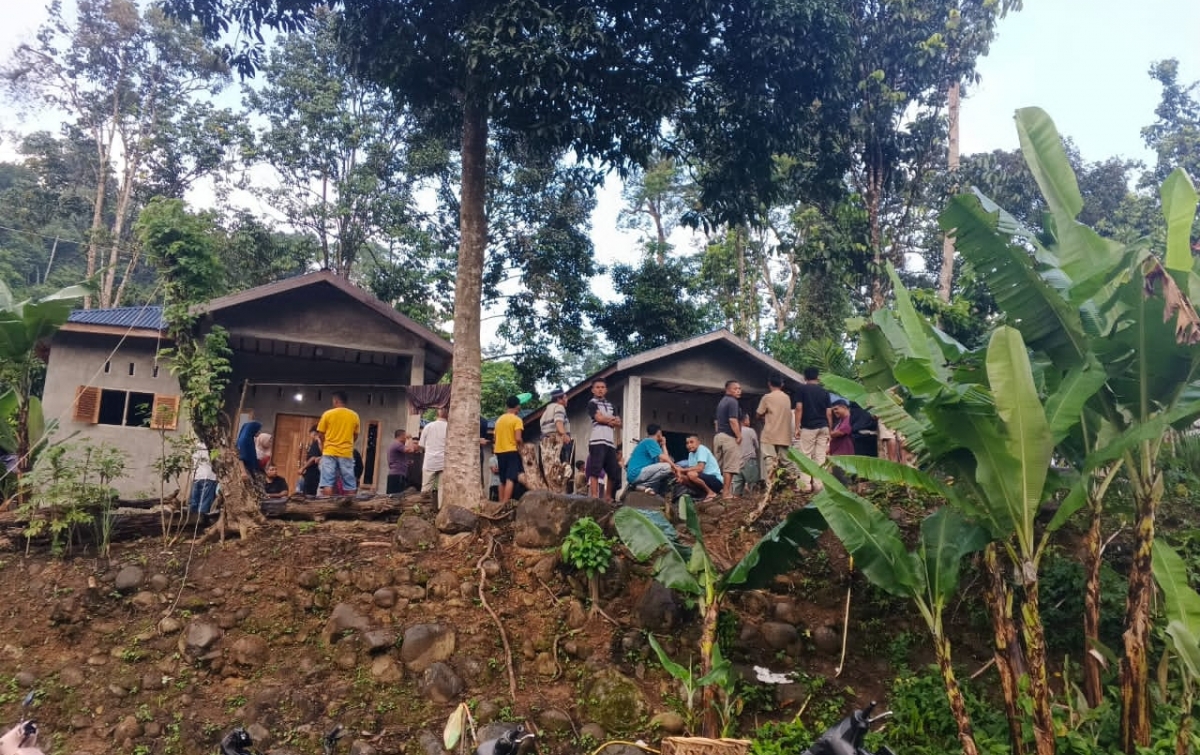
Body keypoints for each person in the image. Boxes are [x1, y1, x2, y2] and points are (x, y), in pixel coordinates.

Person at [793, 367, 833, 492]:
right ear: (818, 377)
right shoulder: (824, 392)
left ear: (805, 377)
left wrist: (797, 427)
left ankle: (805, 485)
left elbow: (799, 408)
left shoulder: (802, 389)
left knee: (805, 456)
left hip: (809, 427)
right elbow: (829, 412)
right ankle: (819, 485)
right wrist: (830, 429)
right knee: (820, 456)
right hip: (824, 426)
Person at [317, 391, 361, 497]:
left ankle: (327, 507)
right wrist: (347, 444)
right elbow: (355, 435)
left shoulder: (327, 414)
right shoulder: (354, 415)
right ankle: (349, 508)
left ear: (335, 401)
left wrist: (325, 445)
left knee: (327, 482)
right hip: (346, 452)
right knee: (349, 484)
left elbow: (320, 434)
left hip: (329, 452)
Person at [585, 379, 622, 501]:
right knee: (595, 469)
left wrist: (607, 419)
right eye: (597, 387)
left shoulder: (611, 405)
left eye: (602, 387)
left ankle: (607, 497)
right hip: (597, 441)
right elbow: (598, 418)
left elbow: (618, 422)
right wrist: (611, 420)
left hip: (610, 442)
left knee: (613, 471)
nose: (600, 389)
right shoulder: (592, 403)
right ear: (593, 390)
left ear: (606, 389)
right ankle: (595, 496)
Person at [756, 374, 793, 482]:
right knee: (786, 462)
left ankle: (771, 487)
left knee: (770, 462)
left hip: (769, 435)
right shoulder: (787, 398)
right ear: (782, 384)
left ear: (769, 384)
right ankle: (793, 484)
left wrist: (764, 416)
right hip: (784, 436)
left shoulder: (767, 397)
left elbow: (758, 414)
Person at [713, 380, 743, 499]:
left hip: (719, 435)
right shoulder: (733, 402)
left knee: (718, 466)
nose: (739, 391)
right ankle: (726, 493)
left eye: (739, 389)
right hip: (728, 437)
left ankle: (717, 491)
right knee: (729, 468)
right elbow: (733, 420)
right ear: (728, 389)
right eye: (736, 389)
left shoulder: (722, 402)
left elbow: (716, 422)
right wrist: (739, 435)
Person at [625, 424, 675, 496]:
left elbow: (664, 460)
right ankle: (638, 486)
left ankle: (638, 486)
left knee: (666, 469)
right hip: (636, 473)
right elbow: (666, 460)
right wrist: (675, 467)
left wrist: (663, 444)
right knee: (667, 467)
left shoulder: (650, 444)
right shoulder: (650, 441)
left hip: (635, 475)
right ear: (659, 433)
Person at [539, 388, 572, 494]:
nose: (567, 399)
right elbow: (558, 422)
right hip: (557, 442)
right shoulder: (559, 407)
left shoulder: (545, 412)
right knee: (562, 470)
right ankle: (561, 495)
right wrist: (564, 434)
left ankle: (552, 493)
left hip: (546, 443)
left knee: (550, 471)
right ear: (559, 399)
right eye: (565, 397)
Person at [672, 435, 723, 502]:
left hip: (716, 481)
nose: (689, 445)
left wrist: (682, 470)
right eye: (687, 443)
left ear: (698, 443)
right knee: (683, 477)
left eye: (691, 442)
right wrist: (678, 472)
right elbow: (691, 469)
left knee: (691, 474)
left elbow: (700, 468)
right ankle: (703, 494)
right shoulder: (690, 454)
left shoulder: (701, 449)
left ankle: (711, 493)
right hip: (705, 479)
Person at [494, 395, 524, 504]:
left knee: (502, 479)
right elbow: (518, 438)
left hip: (499, 451)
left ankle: (500, 502)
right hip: (511, 451)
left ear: (507, 406)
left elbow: (495, 438)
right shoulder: (517, 420)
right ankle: (505, 503)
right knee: (510, 478)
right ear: (518, 406)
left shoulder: (498, 420)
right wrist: (523, 446)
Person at [419, 407, 449, 500]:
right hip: (444, 461)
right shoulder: (450, 427)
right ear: (448, 415)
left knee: (426, 488)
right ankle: (441, 509)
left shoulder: (428, 426)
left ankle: (424, 508)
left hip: (430, 461)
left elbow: (421, 445)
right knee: (442, 488)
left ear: (436, 415)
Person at [733, 412, 761, 495]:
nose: (749, 421)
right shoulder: (750, 430)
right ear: (744, 420)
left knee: (737, 488)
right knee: (753, 486)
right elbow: (757, 445)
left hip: (736, 463)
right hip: (749, 461)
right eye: (748, 419)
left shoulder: (733, 432)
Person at [189, 442, 218, 515]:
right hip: (209, 476)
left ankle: (193, 521)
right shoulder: (213, 446)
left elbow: (192, 461)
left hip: (196, 476)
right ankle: (201, 521)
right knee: (205, 503)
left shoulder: (195, 446)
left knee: (194, 502)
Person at [386, 429, 415, 494]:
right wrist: (410, 438)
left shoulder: (394, 444)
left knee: (394, 496)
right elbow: (411, 450)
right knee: (396, 496)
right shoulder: (397, 444)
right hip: (397, 475)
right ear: (401, 436)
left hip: (395, 474)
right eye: (405, 436)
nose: (406, 438)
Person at [300, 425, 322, 496]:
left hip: (313, 473)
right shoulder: (320, 443)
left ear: (315, 433)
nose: (311, 436)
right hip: (315, 473)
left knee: (309, 494)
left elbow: (313, 458)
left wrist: (303, 468)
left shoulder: (316, 443)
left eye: (312, 434)